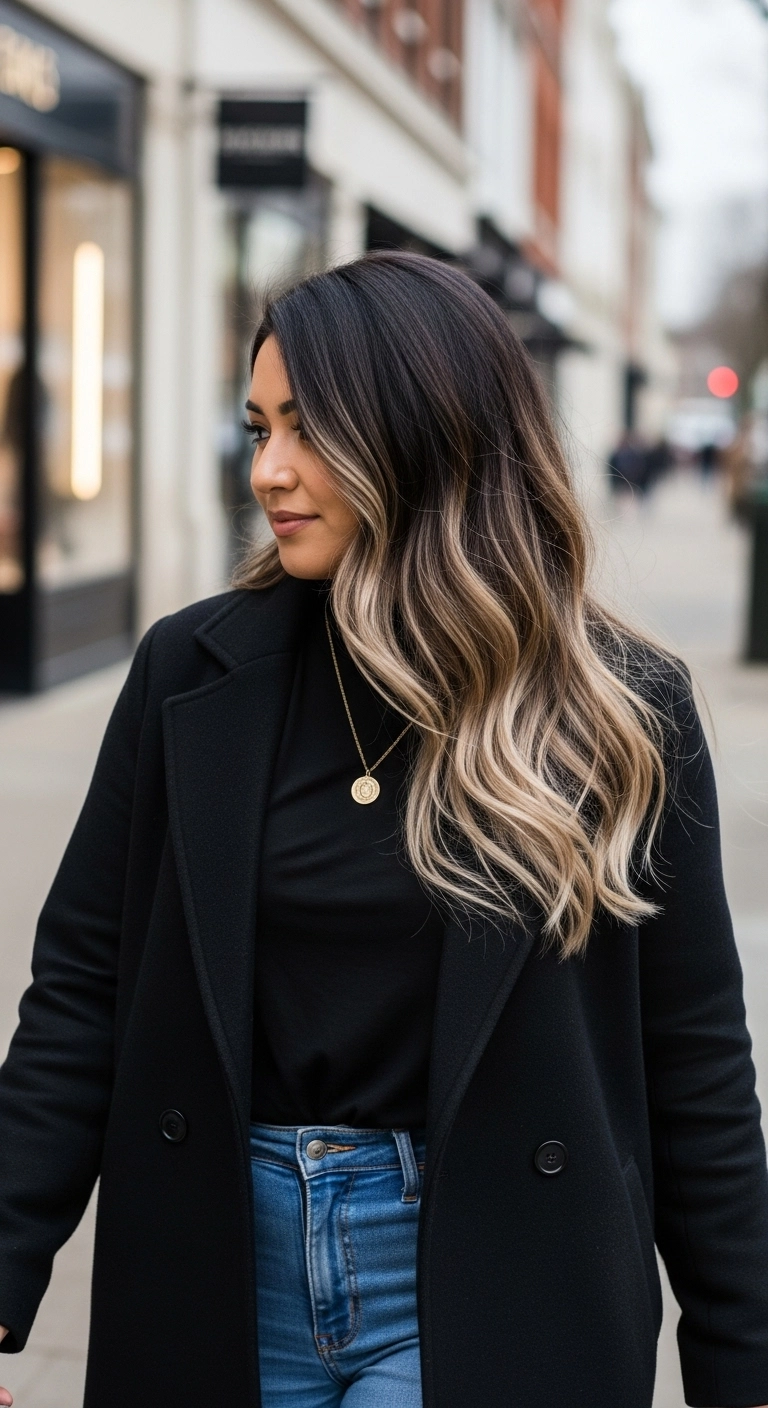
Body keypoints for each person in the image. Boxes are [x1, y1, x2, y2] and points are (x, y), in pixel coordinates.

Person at [0, 252, 767, 1408]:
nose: (269, 470)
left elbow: (696, 1060)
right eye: (258, 428)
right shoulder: (188, 671)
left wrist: (743, 1361)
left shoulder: (620, 707)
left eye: (307, 429)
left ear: (419, 431)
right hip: (219, 1263)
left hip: (485, 1271)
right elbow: (77, 995)